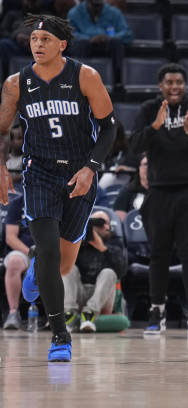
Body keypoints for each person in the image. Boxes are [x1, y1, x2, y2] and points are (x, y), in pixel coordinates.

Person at [0, 14, 117, 362]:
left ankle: (37, 265)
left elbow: (109, 128)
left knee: (63, 264)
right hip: (39, 173)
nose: (38, 45)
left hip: (80, 173)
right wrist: (2, 169)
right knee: (49, 250)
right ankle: (59, 336)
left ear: (62, 44)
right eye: (34, 40)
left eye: (46, 40)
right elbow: (2, 129)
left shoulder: (85, 76)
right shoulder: (16, 83)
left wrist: (90, 169)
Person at [130, 62, 188, 336]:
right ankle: (156, 311)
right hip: (158, 190)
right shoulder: (148, 110)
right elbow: (133, 146)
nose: (174, 87)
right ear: (160, 86)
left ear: (185, 84)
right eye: (169, 82)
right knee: (158, 253)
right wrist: (155, 126)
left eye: (179, 82)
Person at [63, 210, 126, 333]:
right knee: (69, 268)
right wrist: (77, 242)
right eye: (97, 223)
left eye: (105, 223)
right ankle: (68, 313)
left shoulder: (115, 242)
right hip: (78, 294)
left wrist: (102, 248)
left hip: (102, 296)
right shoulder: (78, 243)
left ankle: (89, 313)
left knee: (109, 272)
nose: (102, 226)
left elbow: (121, 271)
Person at [67, 0, 132, 83]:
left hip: (107, 46)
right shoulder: (74, 12)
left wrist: (109, 38)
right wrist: (89, 39)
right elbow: (70, 34)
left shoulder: (114, 12)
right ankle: (79, 82)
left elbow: (127, 33)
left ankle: (117, 83)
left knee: (117, 43)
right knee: (81, 44)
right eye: (94, 6)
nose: (96, 7)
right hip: (85, 45)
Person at [2, 194, 34, 329]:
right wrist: (31, 253)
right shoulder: (18, 203)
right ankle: (13, 312)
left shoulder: (55, 200)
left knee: (65, 263)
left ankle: (62, 315)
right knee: (14, 262)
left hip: (50, 250)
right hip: (25, 251)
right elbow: (10, 238)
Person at [113, 153, 147, 221]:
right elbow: (121, 224)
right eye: (145, 164)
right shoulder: (127, 191)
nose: (148, 168)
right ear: (139, 168)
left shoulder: (163, 192)